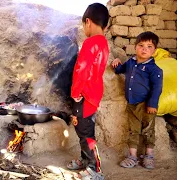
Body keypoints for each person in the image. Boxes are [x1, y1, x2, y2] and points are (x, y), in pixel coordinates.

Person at [66, 3, 109, 180]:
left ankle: (95, 169)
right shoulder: (103, 43)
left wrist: (75, 92)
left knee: (86, 133)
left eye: (84, 25)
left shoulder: (90, 42)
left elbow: (81, 69)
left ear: (88, 22)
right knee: (83, 130)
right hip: (93, 95)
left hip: (85, 96)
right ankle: (85, 161)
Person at [111, 31, 163, 169]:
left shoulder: (154, 69)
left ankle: (149, 156)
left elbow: (157, 88)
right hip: (132, 104)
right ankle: (132, 156)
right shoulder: (131, 63)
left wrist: (152, 104)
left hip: (146, 105)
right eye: (141, 45)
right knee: (133, 130)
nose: (144, 48)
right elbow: (119, 70)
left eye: (149, 46)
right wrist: (116, 63)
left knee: (148, 131)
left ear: (154, 50)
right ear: (135, 47)